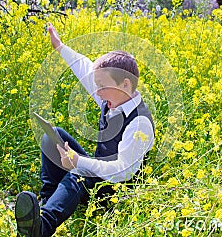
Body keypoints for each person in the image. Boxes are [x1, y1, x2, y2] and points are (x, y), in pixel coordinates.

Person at [14, 23, 155, 237]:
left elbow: (123, 171)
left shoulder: (139, 122)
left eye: (102, 86)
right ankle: (47, 204)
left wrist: (79, 163)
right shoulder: (113, 99)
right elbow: (84, 68)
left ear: (125, 85)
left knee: (78, 174)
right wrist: (60, 46)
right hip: (101, 175)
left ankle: (42, 228)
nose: (97, 92)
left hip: (116, 193)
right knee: (53, 136)